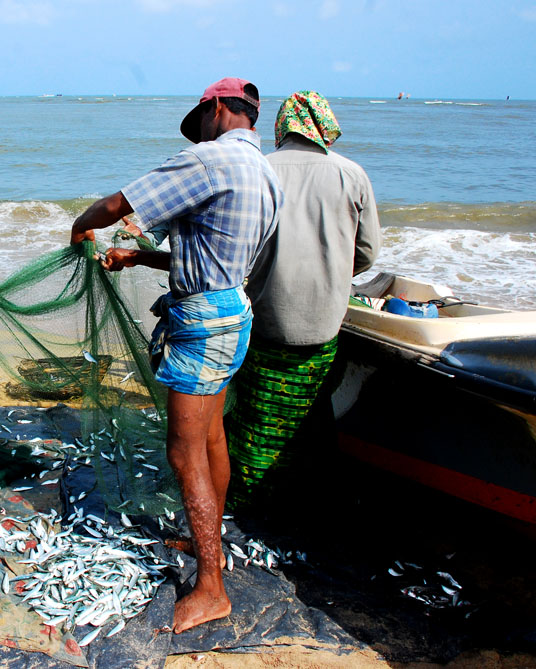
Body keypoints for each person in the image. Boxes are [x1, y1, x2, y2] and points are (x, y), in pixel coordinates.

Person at [70, 77, 282, 633]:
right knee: (212, 439)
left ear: (215, 109)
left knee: (184, 453)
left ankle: (211, 587)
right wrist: (138, 260)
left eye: (201, 118)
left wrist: (79, 228)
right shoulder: (266, 173)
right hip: (233, 313)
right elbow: (210, 256)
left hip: (202, 327)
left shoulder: (208, 160)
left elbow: (121, 203)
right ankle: (202, 537)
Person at [225, 91, 380, 509]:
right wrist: (329, 275)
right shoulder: (352, 174)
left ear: (284, 124)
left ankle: (246, 494)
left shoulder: (261, 168)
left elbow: (236, 243)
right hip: (324, 323)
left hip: (262, 319)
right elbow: (366, 252)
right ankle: (301, 489)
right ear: (323, 125)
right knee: (307, 412)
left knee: (255, 413)